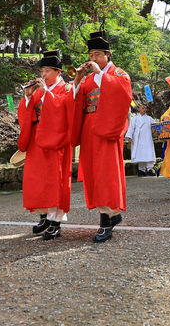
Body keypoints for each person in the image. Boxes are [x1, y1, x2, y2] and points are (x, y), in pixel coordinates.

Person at [71, 31, 132, 242]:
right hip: (90, 129)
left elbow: (123, 96)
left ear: (107, 54)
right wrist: (78, 80)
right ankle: (110, 215)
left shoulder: (119, 74)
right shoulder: (88, 78)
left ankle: (106, 220)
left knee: (106, 174)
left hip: (107, 129)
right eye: (91, 55)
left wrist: (100, 75)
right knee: (94, 174)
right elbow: (76, 101)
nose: (93, 59)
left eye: (97, 54)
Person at [16, 50, 73, 240]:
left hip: (56, 141)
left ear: (58, 71)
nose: (43, 75)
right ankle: (44, 216)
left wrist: (47, 94)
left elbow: (62, 111)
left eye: (47, 71)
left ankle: (55, 222)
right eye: (42, 71)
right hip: (38, 140)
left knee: (54, 181)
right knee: (37, 180)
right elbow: (27, 115)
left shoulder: (65, 89)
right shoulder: (40, 90)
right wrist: (28, 97)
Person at [125, 102, 157, 176]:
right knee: (140, 154)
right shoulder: (135, 119)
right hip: (138, 139)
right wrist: (129, 136)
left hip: (148, 138)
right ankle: (141, 170)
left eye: (145, 108)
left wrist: (157, 136)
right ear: (139, 109)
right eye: (143, 108)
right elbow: (131, 128)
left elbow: (156, 127)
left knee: (148, 153)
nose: (144, 109)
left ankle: (150, 169)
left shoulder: (149, 119)